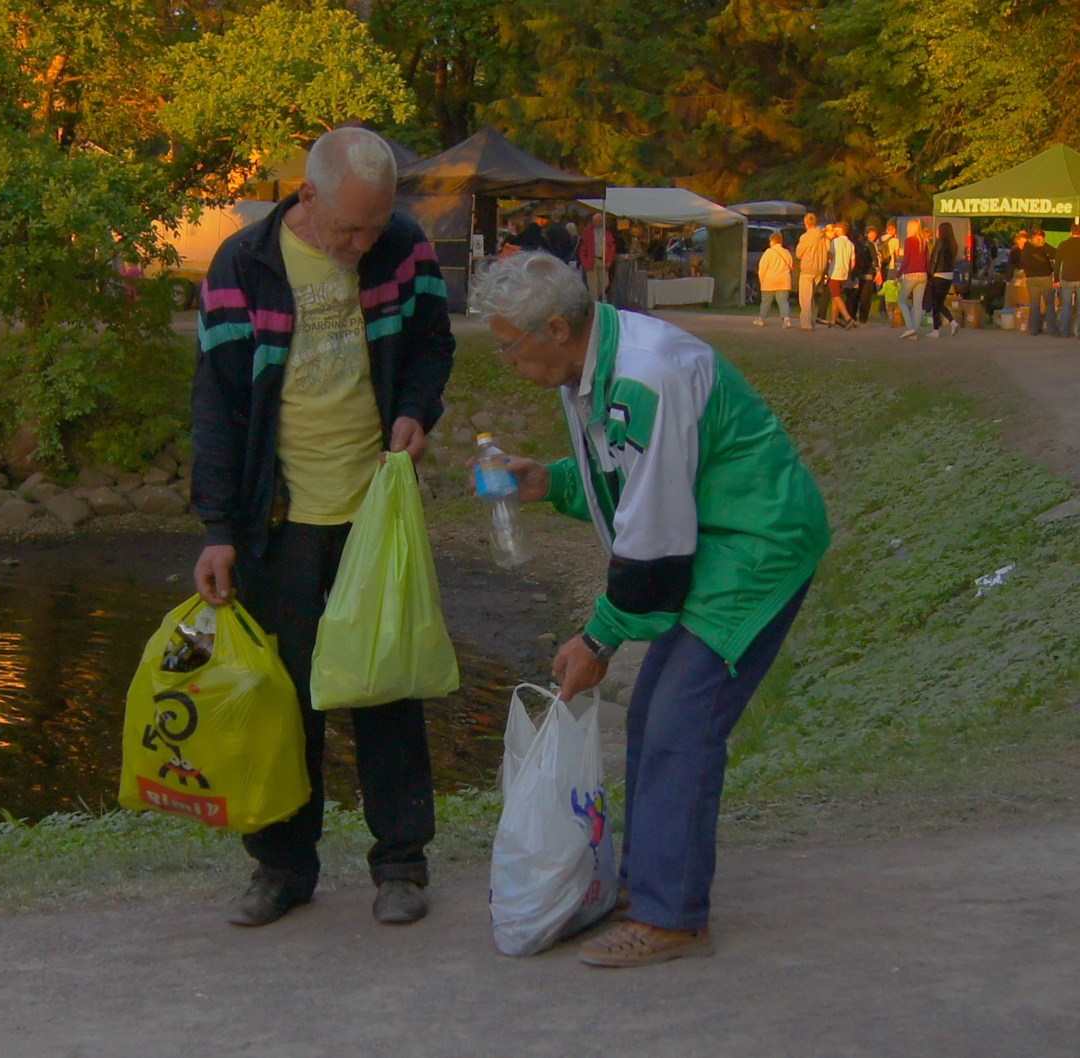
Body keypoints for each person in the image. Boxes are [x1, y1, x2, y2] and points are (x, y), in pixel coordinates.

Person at [468, 251, 830, 967]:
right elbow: (625, 477)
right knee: (652, 713)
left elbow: (655, 528)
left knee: (680, 721)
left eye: (510, 345)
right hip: (711, 534)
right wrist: (552, 482)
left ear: (558, 328)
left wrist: (597, 639)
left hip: (754, 544)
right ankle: (650, 884)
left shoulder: (645, 372)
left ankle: (672, 914)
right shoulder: (594, 365)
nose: (505, 359)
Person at [190, 127, 456, 929]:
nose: (362, 244)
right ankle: (282, 866)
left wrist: (414, 411)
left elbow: (431, 346)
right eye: (350, 229)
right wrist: (218, 527)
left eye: (376, 227)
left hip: (376, 511)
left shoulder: (403, 250)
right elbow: (219, 401)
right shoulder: (244, 265)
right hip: (282, 520)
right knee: (285, 702)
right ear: (306, 196)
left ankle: (400, 864)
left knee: (387, 690)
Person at [1021, 228, 1059, 336]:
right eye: (1040, 237)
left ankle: (1033, 329)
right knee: (1049, 303)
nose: (1041, 240)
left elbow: (1022, 261)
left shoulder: (1026, 247)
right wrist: (1044, 245)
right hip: (1044, 277)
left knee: (1034, 304)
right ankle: (1052, 329)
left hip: (1031, 278)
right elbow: (1056, 253)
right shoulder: (1044, 247)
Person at [897, 218, 929, 339]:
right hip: (923, 274)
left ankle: (910, 327)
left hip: (911, 274)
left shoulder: (909, 241)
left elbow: (906, 261)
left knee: (901, 301)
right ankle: (914, 330)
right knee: (918, 304)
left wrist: (898, 275)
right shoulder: (923, 242)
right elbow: (927, 261)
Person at [754, 231, 794, 327]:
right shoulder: (786, 252)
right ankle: (786, 319)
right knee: (783, 301)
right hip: (784, 280)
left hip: (770, 280)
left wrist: (761, 279)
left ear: (772, 241)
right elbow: (791, 265)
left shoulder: (768, 252)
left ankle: (761, 319)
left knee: (766, 301)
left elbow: (762, 267)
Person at [795, 212, 827, 331]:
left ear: (806, 223)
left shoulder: (805, 237)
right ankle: (811, 320)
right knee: (811, 296)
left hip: (808, 267)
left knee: (805, 297)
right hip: (819, 268)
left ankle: (806, 323)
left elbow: (798, 253)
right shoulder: (822, 235)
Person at [926, 222, 959, 338]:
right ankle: (952, 322)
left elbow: (934, 259)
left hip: (938, 275)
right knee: (939, 303)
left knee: (936, 303)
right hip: (948, 275)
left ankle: (936, 330)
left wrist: (930, 274)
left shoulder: (940, 243)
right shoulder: (953, 245)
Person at [826, 222, 858, 329]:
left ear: (840, 230)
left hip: (835, 272)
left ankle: (848, 318)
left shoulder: (835, 242)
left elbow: (829, 256)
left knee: (836, 296)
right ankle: (833, 320)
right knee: (835, 296)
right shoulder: (850, 244)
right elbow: (853, 262)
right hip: (844, 273)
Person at [579, 213, 616, 302]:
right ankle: (594, 303)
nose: (596, 223)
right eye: (595, 221)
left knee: (604, 283)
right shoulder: (588, 232)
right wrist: (585, 262)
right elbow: (583, 248)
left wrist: (609, 261)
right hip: (592, 260)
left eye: (598, 221)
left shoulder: (606, 233)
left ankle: (597, 298)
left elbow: (612, 247)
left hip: (603, 260)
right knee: (592, 285)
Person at [1054, 222, 1080, 338]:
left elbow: (1057, 263)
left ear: (1071, 232)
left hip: (1067, 278)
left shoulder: (1063, 244)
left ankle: (1065, 330)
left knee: (1066, 306)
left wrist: (1056, 279)